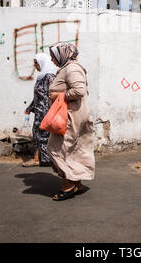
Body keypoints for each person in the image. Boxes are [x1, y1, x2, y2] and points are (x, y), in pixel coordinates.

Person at [47, 42, 95, 201]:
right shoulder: (67, 67)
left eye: (53, 56)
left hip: (70, 116)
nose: (52, 59)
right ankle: (77, 183)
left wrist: (58, 96)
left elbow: (79, 91)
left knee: (57, 148)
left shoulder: (72, 68)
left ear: (63, 54)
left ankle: (68, 185)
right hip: (71, 114)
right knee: (72, 149)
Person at [22, 53, 57, 167]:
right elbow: (38, 96)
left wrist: (50, 112)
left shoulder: (49, 77)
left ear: (42, 62)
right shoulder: (41, 77)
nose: (35, 65)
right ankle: (38, 158)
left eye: (36, 62)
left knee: (43, 135)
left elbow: (52, 95)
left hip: (46, 112)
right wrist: (30, 108)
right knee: (37, 134)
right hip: (39, 112)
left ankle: (45, 159)